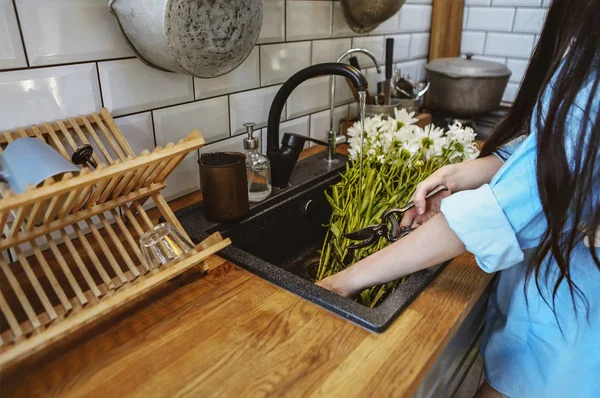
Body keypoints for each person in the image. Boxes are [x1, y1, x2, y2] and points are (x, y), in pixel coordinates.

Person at [317, 0, 600, 396]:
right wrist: (468, 171)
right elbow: (548, 151)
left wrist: (344, 280)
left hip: (568, 344)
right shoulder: (586, 50)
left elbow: (500, 212)